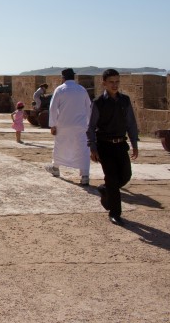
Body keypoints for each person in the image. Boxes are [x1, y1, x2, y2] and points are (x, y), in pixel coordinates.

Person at [87, 69, 139, 226]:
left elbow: (131, 123)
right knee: (112, 178)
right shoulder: (98, 103)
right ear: (104, 83)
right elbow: (90, 127)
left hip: (121, 145)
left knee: (125, 176)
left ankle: (105, 189)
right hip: (105, 145)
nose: (115, 85)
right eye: (111, 82)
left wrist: (134, 143)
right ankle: (115, 213)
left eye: (117, 81)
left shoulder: (125, 100)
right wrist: (93, 148)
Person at [45, 68, 91, 185]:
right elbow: (88, 107)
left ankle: (55, 168)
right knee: (83, 148)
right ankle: (85, 175)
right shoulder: (82, 90)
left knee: (59, 146)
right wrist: (89, 124)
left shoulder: (60, 90)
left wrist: (53, 124)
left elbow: (53, 108)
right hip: (80, 124)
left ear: (63, 78)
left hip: (64, 124)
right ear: (74, 77)